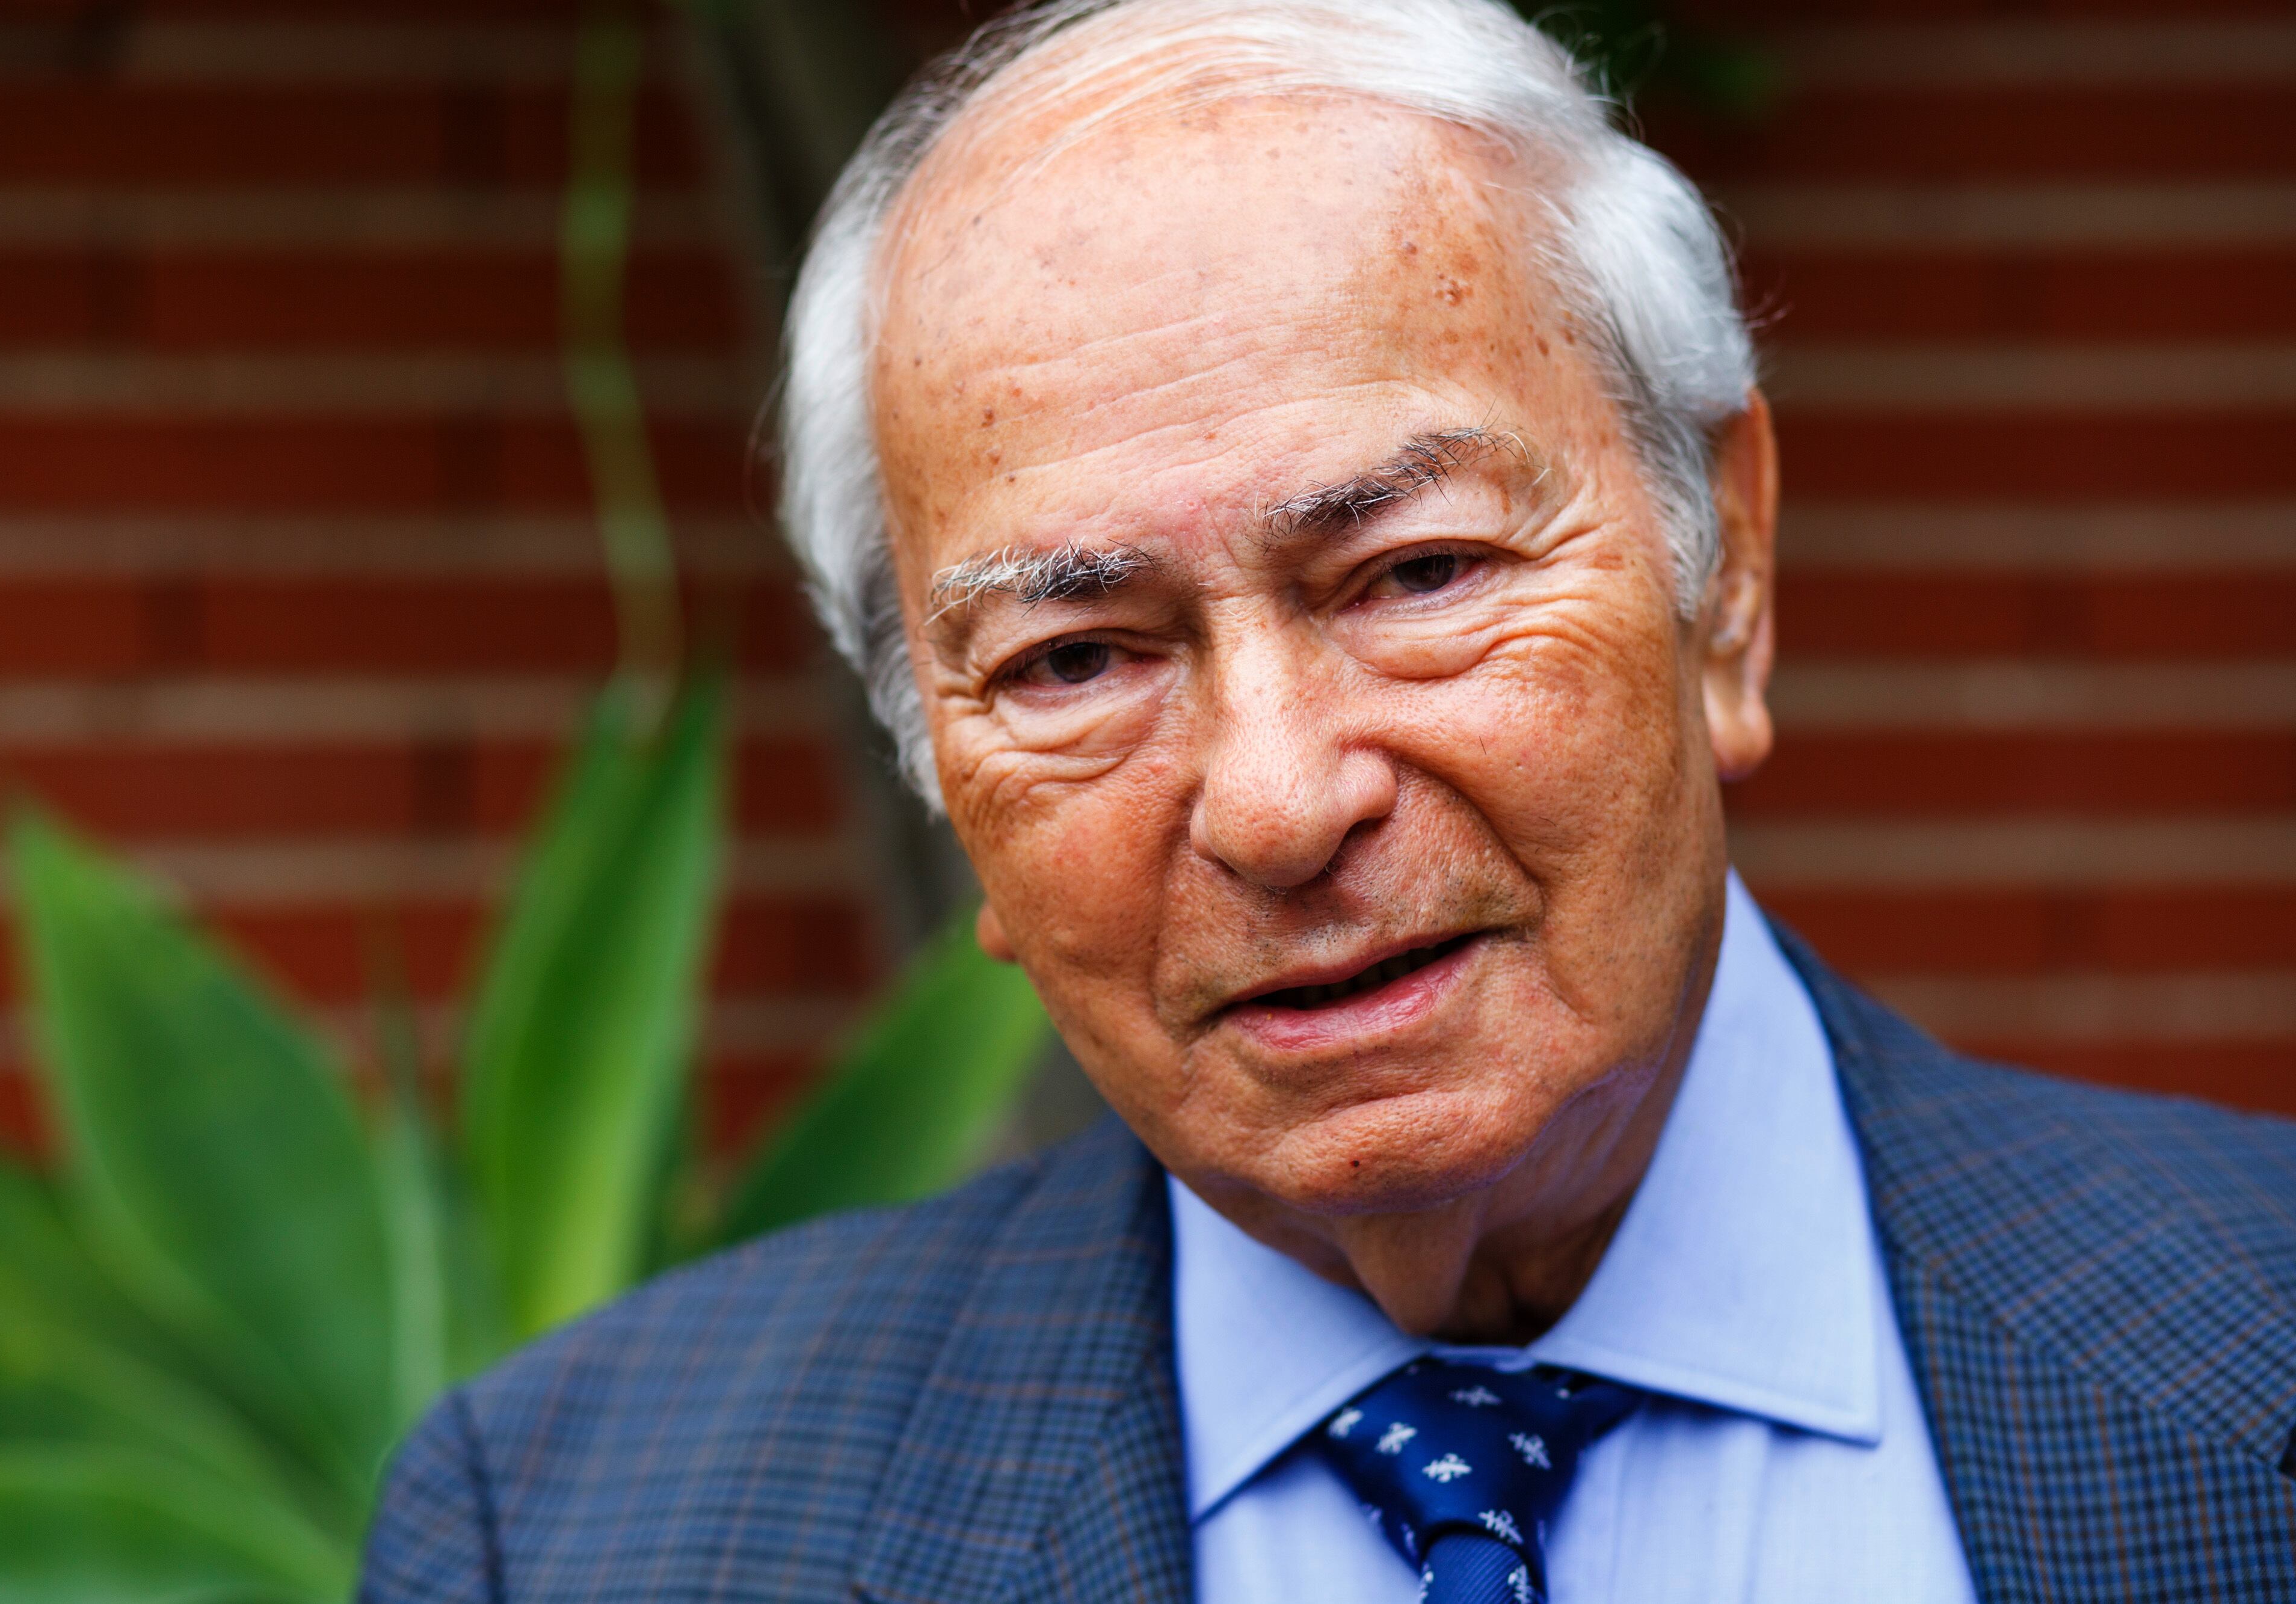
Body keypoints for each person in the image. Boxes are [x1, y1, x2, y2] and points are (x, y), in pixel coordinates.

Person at [359, 2, 2296, 1600]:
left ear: (1731, 575)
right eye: (1076, 660)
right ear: (944, 781)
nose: (1280, 803)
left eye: (1419, 575)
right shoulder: (579, 1531)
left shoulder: (2250, 1355)